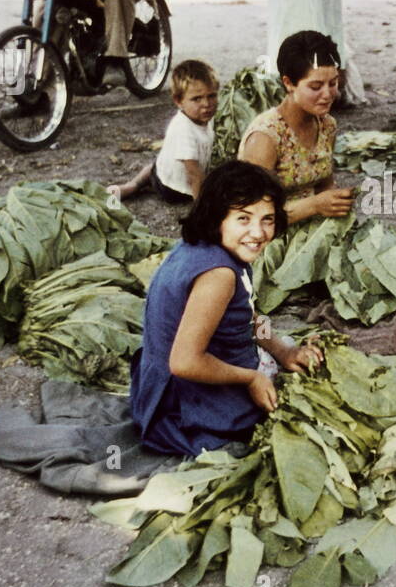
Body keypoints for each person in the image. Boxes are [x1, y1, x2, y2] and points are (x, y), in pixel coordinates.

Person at [129, 163, 322, 456]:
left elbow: (248, 314)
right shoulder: (218, 275)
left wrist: (282, 351)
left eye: (267, 219)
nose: (258, 232)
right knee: (301, 419)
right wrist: (251, 378)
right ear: (217, 216)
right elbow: (184, 363)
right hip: (183, 408)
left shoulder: (205, 247)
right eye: (243, 218)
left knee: (294, 359)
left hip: (168, 385)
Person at [239, 30, 355, 224]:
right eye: (316, 87)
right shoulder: (266, 137)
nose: (327, 94)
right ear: (288, 83)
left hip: (313, 229)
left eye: (333, 83)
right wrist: (315, 205)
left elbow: (325, 184)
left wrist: (336, 202)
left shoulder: (327, 125)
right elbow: (254, 214)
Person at [108, 60, 219, 205]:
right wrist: (202, 208)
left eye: (211, 96)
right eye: (197, 99)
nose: (206, 104)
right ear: (179, 101)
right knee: (155, 170)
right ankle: (133, 185)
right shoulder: (184, 130)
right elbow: (194, 175)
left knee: (156, 167)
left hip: (169, 174)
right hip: (176, 191)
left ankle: (136, 184)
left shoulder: (201, 117)